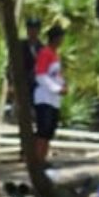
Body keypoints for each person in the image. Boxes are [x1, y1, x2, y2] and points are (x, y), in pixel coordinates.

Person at [30, 23, 65, 171]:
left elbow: (56, 75)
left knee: (49, 131)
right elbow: (41, 75)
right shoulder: (45, 53)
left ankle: (43, 159)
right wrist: (57, 89)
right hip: (44, 97)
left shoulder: (55, 55)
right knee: (43, 131)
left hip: (54, 100)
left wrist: (63, 85)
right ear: (56, 39)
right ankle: (37, 161)